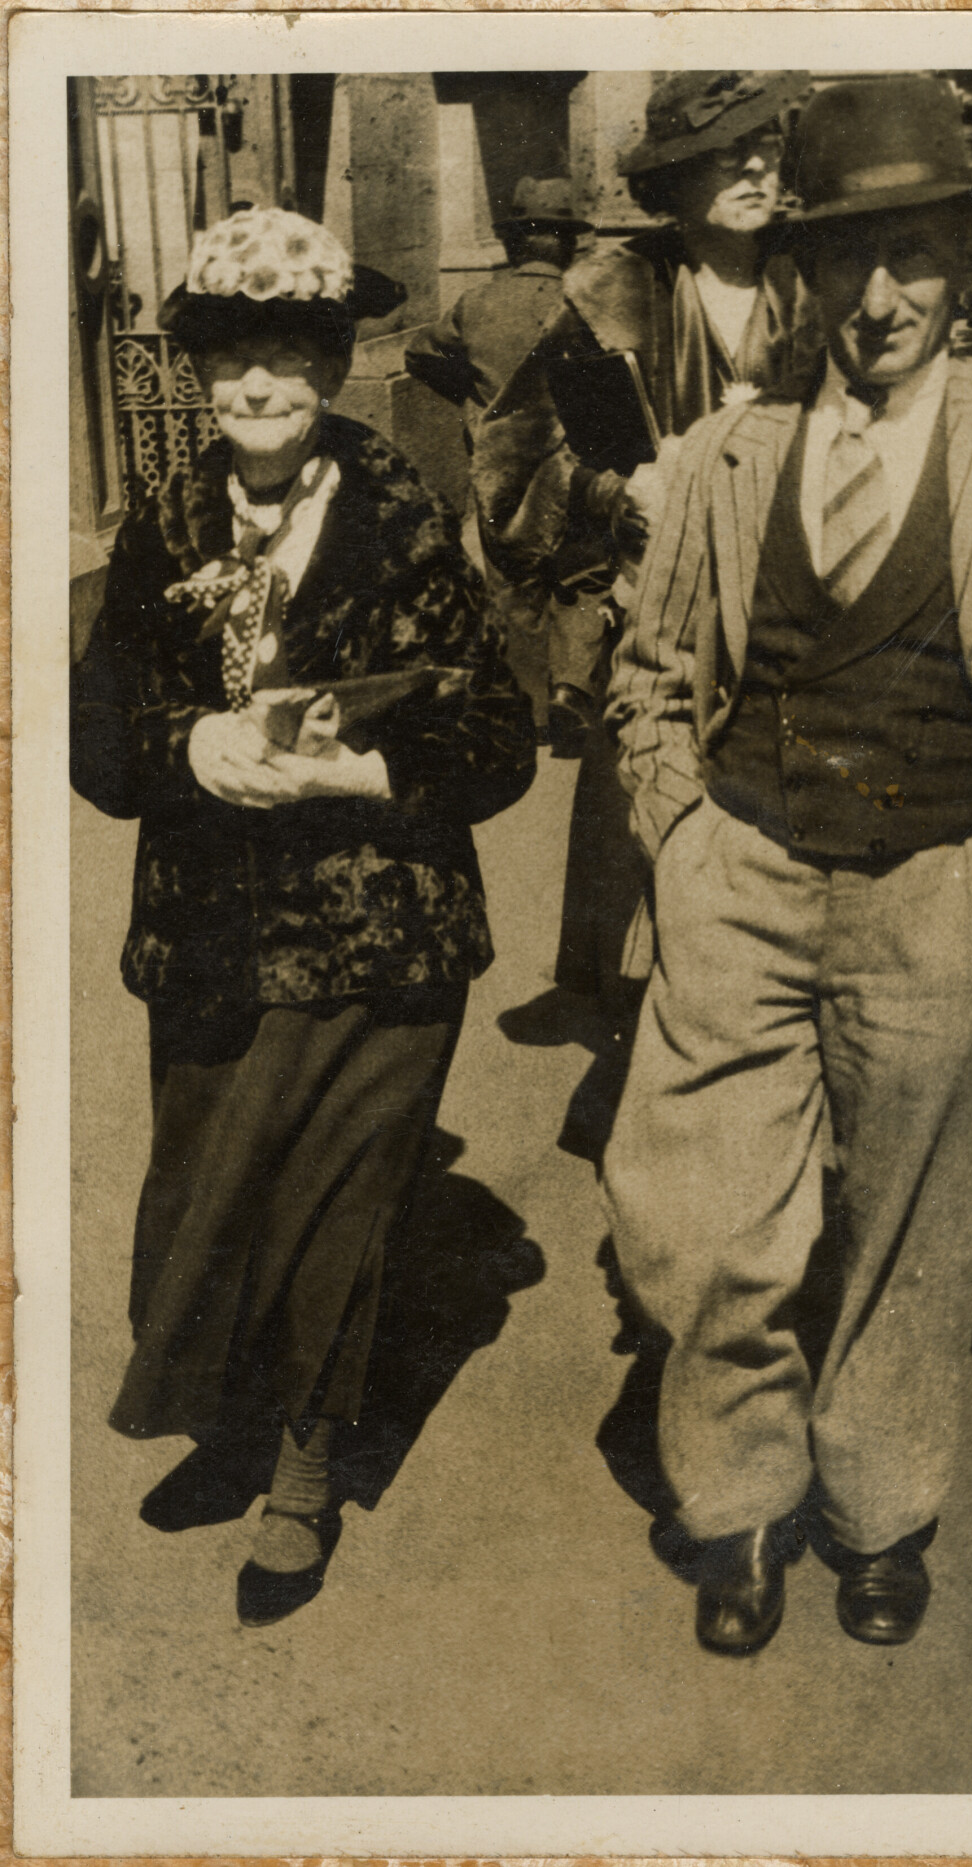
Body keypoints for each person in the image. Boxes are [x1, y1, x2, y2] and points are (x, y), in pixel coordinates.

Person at [603, 79, 972, 1657]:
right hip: (741, 877)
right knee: (702, 1226)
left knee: (911, 1225)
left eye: (913, 256)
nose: (878, 298)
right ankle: (739, 1502)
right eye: (845, 260)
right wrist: (681, 835)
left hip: (939, 885)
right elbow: (650, 675)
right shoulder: (722, 457)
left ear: (968, 263)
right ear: (804, 274)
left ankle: (879, 1514)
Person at [70, 207, 536, 1627]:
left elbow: (498, 738)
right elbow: (98, 735)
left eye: (287, 356)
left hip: (379, 934)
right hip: (213, 931)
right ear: (199, 374)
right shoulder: (161, 525)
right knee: (211, 1194)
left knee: (335, 1207)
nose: (258, 386)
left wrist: (360, 769)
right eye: (230, 359)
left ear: (333, 367)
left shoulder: (405, 519)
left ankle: (302, 1469)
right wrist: (188, 744)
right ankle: (232, 1415)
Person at [477, 71, 818, 1156]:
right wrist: (617, 495)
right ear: (677, 180)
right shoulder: (612, 301)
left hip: (813, 638)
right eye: (727, 154)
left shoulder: (822, 280)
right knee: (670, 869)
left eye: (767, 147)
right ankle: (680, 1121)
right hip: (665, 647)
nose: (756, 169)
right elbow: (512, 471)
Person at [404, 178, 600, 745]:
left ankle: (530, 711)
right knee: (581, 574)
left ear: (515, 244)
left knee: (513, 583)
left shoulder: (476, 303)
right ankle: (572, 688)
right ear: (567, 244)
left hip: (499, 467)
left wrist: (476, 403)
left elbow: (419, 353)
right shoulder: (586, 303)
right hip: (574, 465)